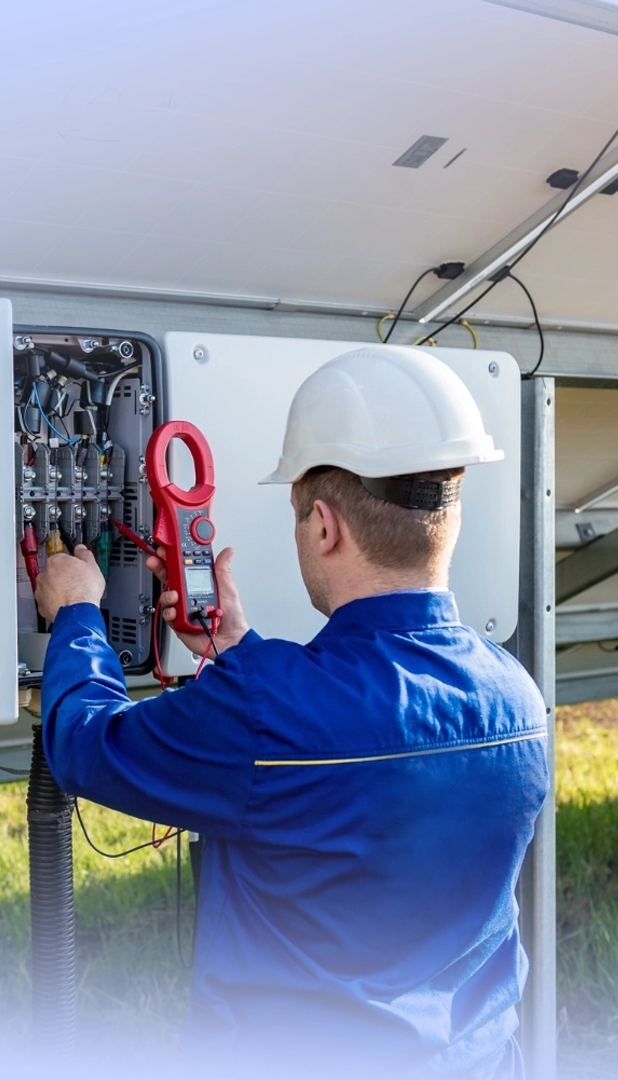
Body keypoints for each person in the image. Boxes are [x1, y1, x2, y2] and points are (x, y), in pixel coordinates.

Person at [36, 347, 548, 1080]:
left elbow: (86, 746)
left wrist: (77, 614)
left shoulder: (265, 708)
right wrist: (236, 645)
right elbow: (342, 746)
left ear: (323, 528)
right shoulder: (517, 699)